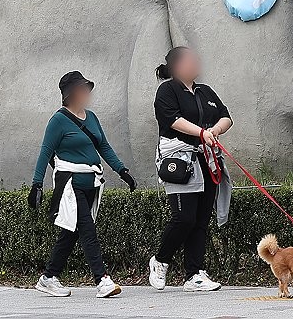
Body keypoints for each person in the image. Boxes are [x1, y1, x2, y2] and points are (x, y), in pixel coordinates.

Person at [29, 71, 137, 298]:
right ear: (69, 94)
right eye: (81, 88)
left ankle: (48, 277)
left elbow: (104, 147)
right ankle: (102, 280)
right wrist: (37, 185)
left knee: (71, 232)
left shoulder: (92, 117)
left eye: (87, 88)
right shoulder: (58, 120)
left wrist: (122, 171)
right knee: (87, 229)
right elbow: (45, 152)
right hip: (70, 184)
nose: (86, 93)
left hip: (91, 183)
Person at [148, 47, 233, 292]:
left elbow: (226, 116)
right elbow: (172, 119)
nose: (196, 62)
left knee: (201, 219)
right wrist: (201, 132)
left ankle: (194, 273)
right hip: (180, 160)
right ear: (176, 66)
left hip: (207, 158)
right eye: (190, 59)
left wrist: (215, 130)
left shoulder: (204, 91)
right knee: (184, 217)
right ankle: (160, 260)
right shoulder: (167, 90)